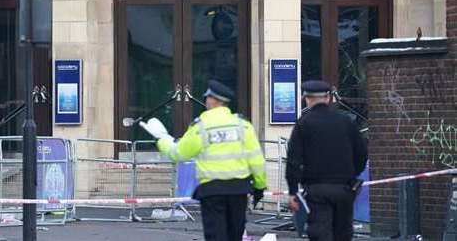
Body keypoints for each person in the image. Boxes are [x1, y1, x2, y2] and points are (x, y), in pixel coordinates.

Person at [140, 79, 267, 241]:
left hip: (212, 192)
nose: (206, 101)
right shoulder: (243, 126)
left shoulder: (201, 126)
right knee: (235, 235)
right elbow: (257, 161)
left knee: (216, 235)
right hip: (238, 191)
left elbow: (178, 153)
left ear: (214, 100)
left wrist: (161, 140)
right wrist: (259, 186)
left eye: (208, 98)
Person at [285, 80, 368, 241]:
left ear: (307, 99)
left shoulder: (304, 123)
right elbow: (362, 153)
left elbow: (293, 160)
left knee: (320, 232)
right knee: (343, 232)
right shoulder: (346, 122)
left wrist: (293, 191)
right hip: (344, 188)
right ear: (328, 97)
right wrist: (352, 174)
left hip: (316, 189)